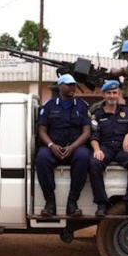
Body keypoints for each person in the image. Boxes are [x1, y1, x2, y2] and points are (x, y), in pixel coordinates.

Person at [36, 74, 91, 217]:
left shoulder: (82, 106)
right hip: (53, 147)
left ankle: (72, 202)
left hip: (75, 147)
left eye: (74, 84)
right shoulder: (49, 105)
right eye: (69, 84)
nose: (73, 87)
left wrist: (72, 147)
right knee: (41, 158)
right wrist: (50, 145)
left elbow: (86, 131)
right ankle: (50, 203)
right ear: (60, 86)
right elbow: (41, 130)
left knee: (84, 157)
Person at [88, 80, 128, 217]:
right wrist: (97, 150)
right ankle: (102, 203)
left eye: (114, 92)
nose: (112, 96)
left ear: (119, 93)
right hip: (105, 147)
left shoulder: (127, 112)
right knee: (94, 163)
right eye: (108, 93)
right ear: (103, 95)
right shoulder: (97, 114)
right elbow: (93, 135)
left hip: (122, 148)